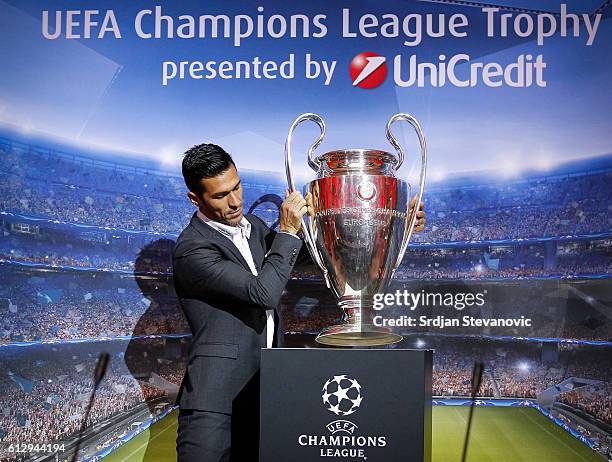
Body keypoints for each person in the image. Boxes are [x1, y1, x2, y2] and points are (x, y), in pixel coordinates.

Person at [172, 143, 426, 461]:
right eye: (220, 196)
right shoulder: (192, 248)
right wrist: (289, 230)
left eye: (236, 187)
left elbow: (317, 256)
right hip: (214, 403)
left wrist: (390, 224)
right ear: (195, 199)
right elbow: (262, 293)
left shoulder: (255, 229)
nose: (235, 201)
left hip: (264, 394)